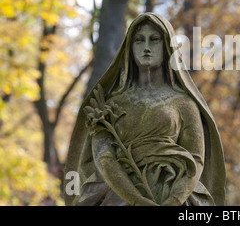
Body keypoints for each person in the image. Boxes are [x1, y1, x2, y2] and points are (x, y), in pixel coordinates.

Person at [64, 13, 226, 206]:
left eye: (154, 40)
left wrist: (174, 200)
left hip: (175, 197)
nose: (146, 47)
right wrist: (136, 200)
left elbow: (196, 160)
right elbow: (104, 157)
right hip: (120, 196)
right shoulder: (111, 103)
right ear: (129, 48)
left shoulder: (185, 104)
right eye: (139, 41)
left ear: (167, 47)